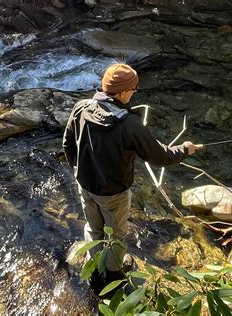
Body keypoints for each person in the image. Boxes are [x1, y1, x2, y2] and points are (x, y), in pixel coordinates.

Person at [62, 63, 201, 292]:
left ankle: (95, 270)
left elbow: (67, 144)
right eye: (133, 90)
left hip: (85, 186)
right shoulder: (129, 124)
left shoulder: (81, 107)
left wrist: (79, 172)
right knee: (115, 235)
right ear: (124, 92)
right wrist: (184, 150)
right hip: (114, 193)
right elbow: (161, 156)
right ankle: (114, 277)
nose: (133, 94)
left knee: (94, 228)